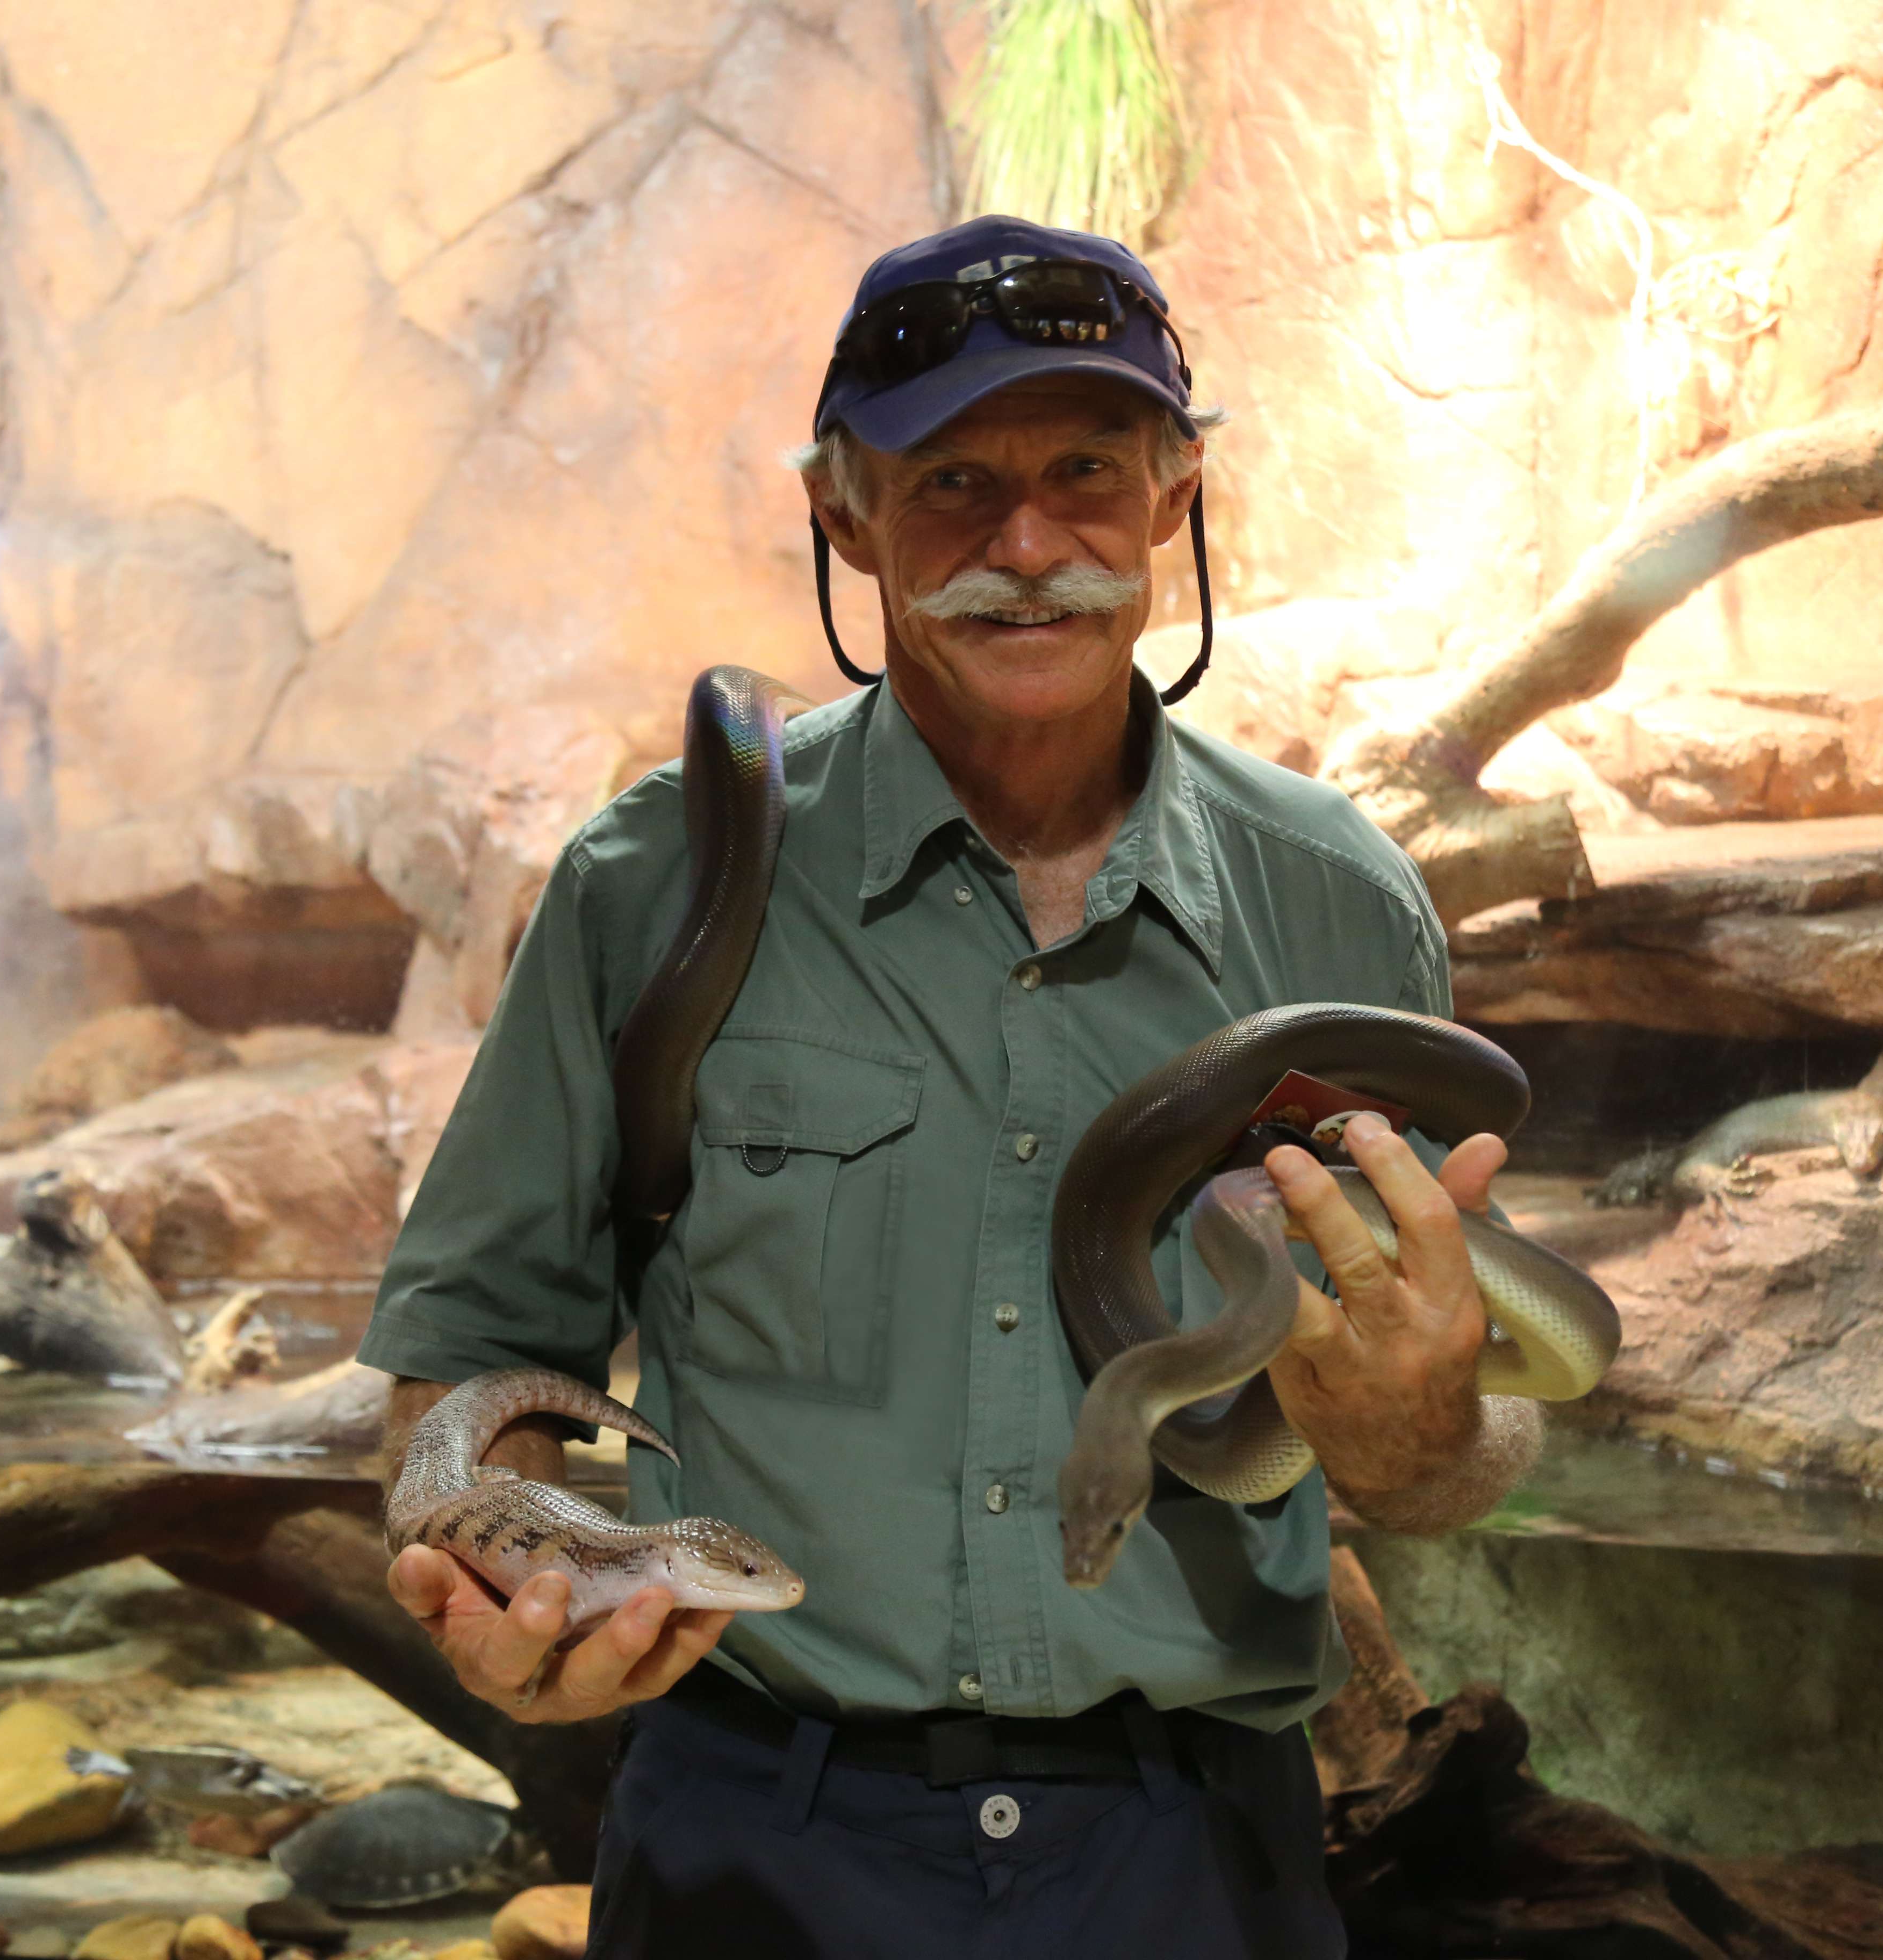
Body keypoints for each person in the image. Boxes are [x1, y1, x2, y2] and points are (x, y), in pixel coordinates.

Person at [358, 215, 1541, 1957]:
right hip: (755, 1836)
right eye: (951, 484)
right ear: (843, 509)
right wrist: (505, 1569)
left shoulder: (1336, 903)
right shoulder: (651, 884)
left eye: (1085, 469)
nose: (1029, 544)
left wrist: (1420, 1429)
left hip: (1193, 1856)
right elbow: (474, 1357)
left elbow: (1456, 1444)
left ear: (1177, 491)